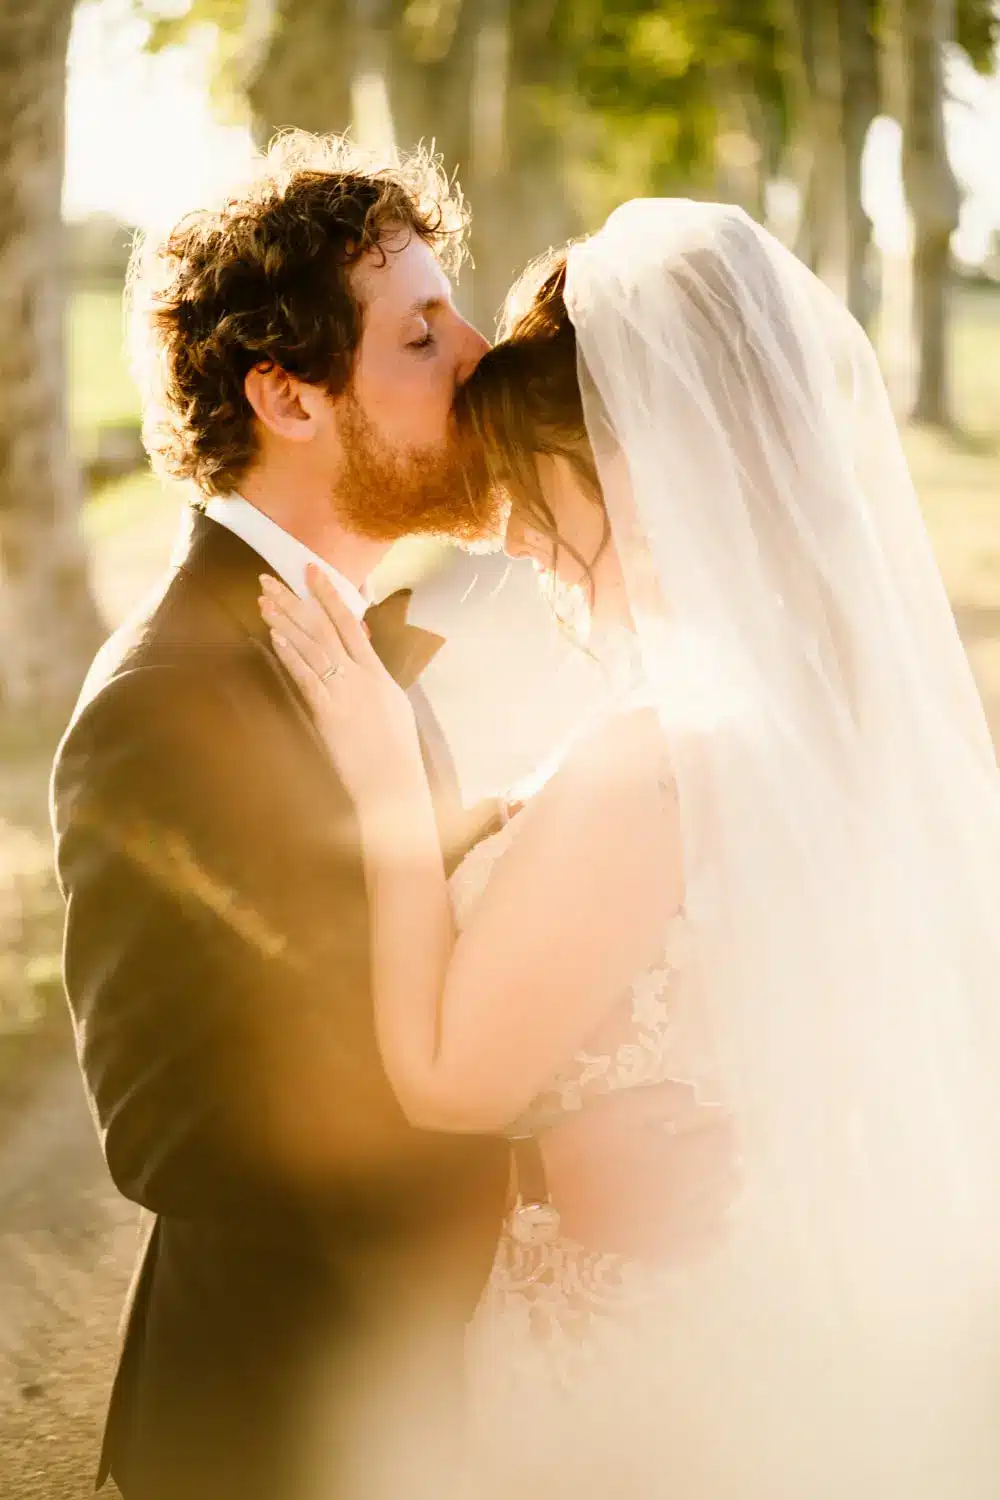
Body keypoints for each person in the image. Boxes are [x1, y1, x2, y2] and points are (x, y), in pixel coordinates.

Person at [261, 198, 1000, 1498]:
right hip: (759, 1326)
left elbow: (441, 1079)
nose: (536, 557)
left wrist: (383, 778)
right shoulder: (825, 721)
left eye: (545, 505)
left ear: (640, 475)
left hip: (623, 1366)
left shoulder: (651, 758)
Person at [50, 132, 510, 1500]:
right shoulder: (165, 701)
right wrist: (536, 1153)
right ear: (289, 396)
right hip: (268, 1438)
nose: (477, 352)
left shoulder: (342, 641)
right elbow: (174, 1131)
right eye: (421, 334)